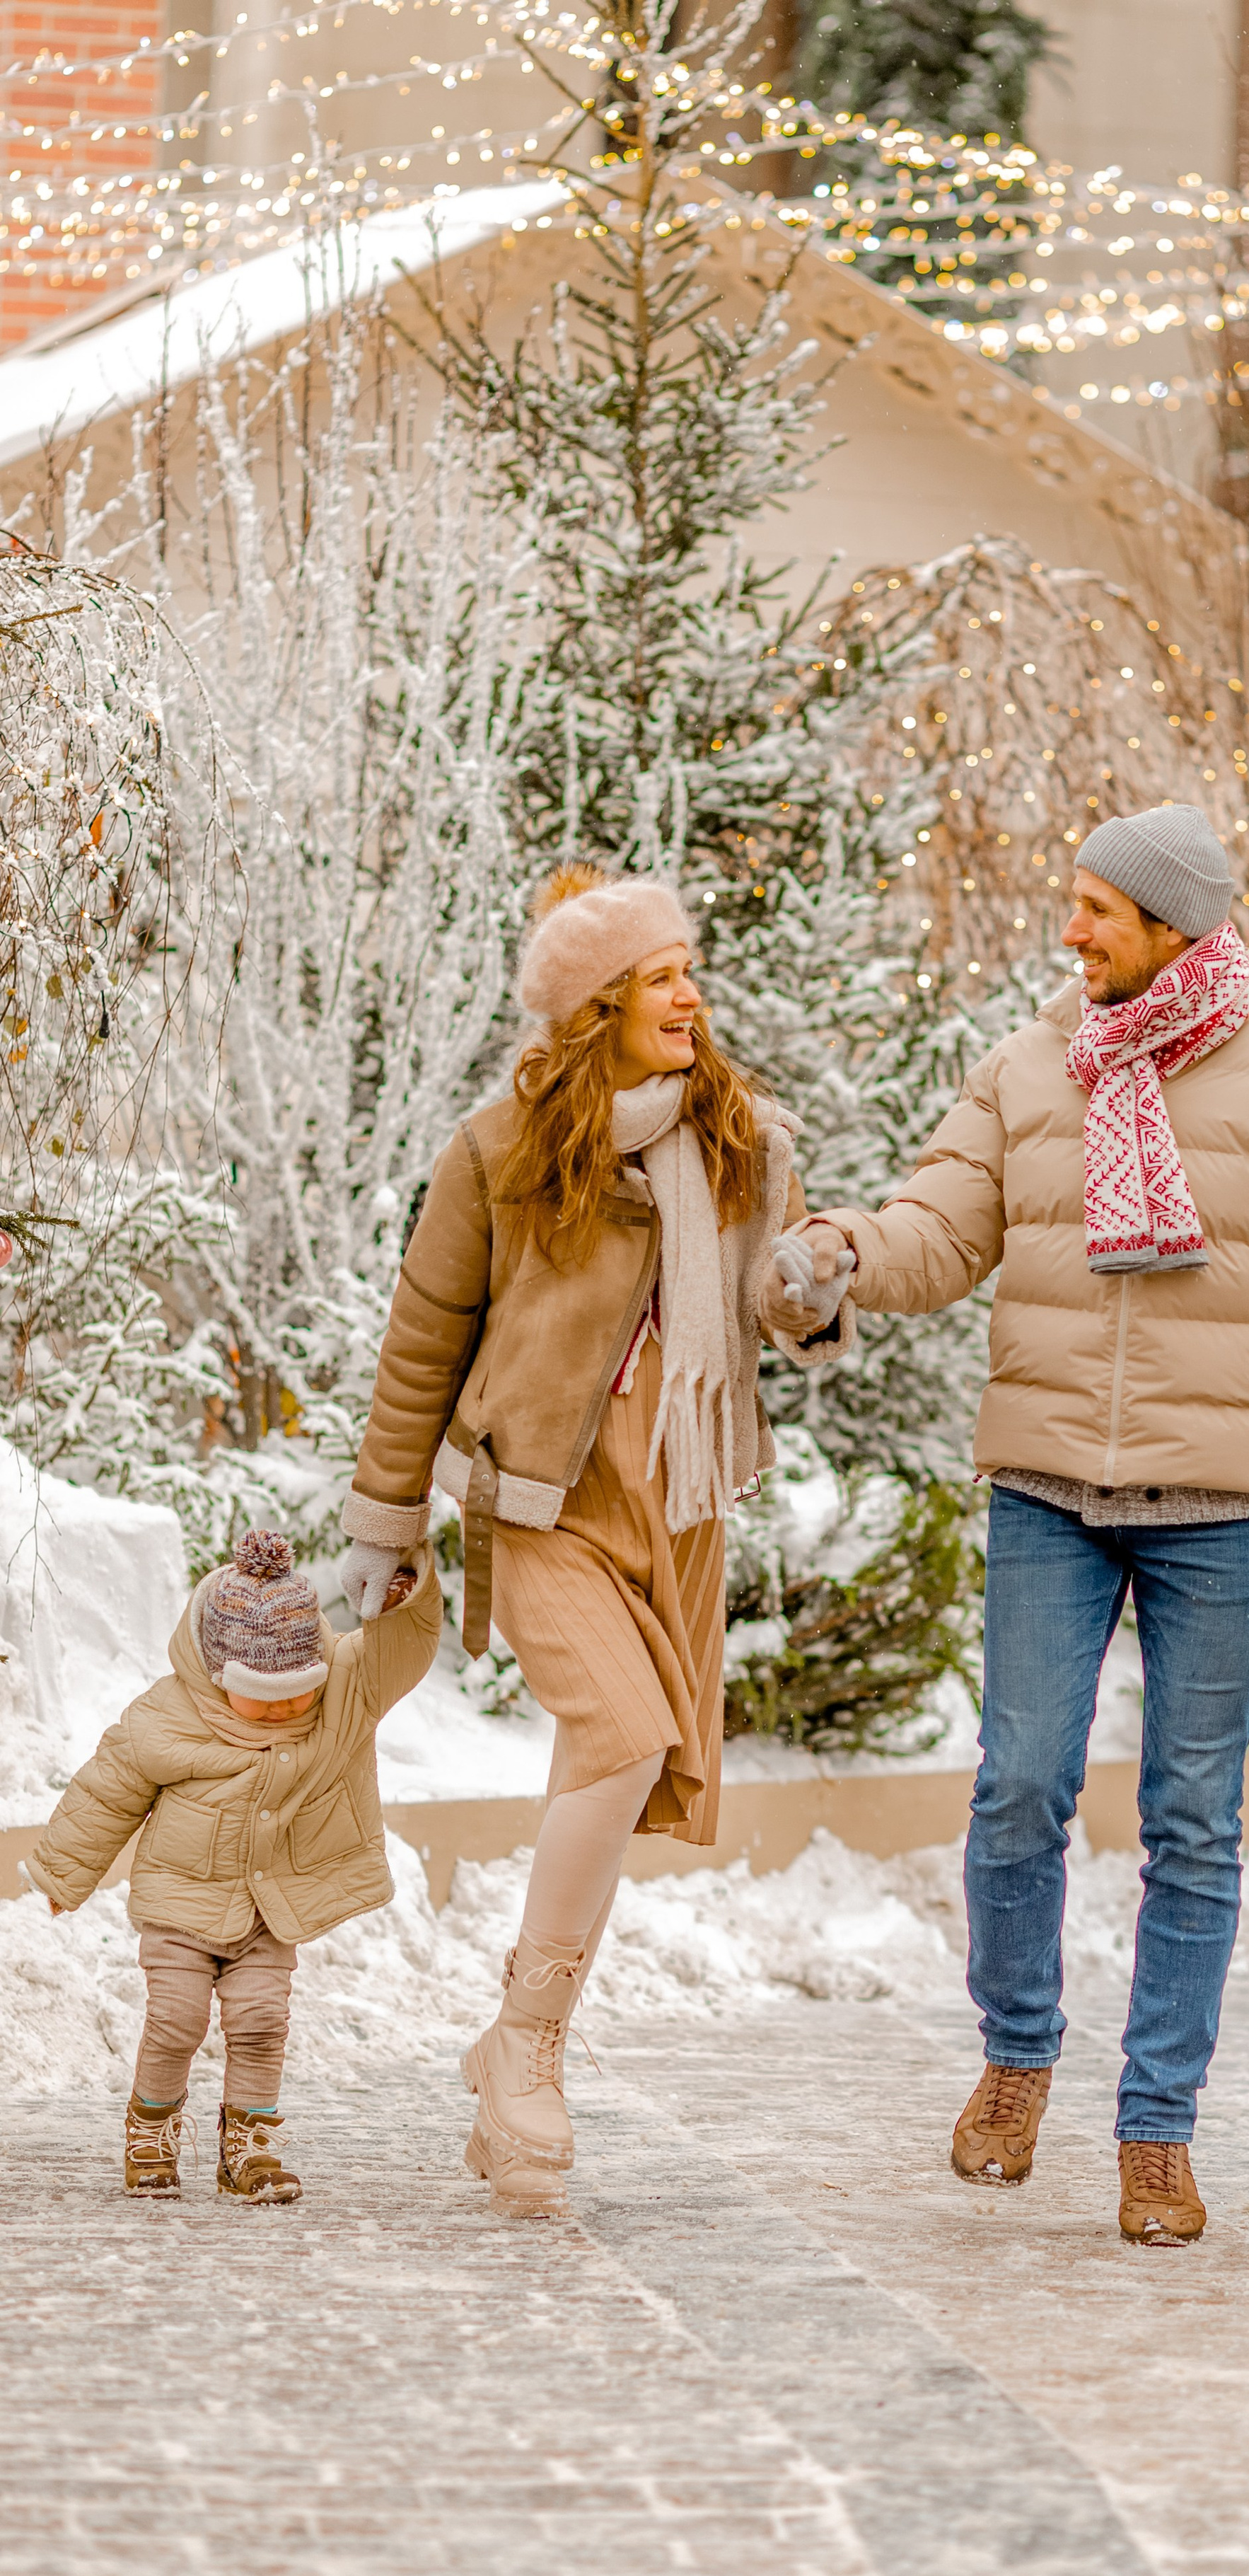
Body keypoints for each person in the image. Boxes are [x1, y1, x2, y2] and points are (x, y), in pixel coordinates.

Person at [785, 803, 1249, 2243]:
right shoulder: (1031, 1070)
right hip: (1045, 1490)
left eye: (1097, 906)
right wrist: (840, 1254)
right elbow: (938, 1230)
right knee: (1016, 1786)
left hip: (1222, 1507)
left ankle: (1155, 2130)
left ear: (1174, 926)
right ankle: (1017, 2057)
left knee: (1191, 1821)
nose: (1070, 929)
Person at [337, 865, 854, 2216]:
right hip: (543, 1504)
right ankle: (526, 2054)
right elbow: (423, 1342)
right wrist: (388, 1523)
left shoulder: (745, 1140)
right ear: (596, 1005)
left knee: (619, 1775)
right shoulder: (499, 1150)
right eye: (661, 974)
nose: (690, 993)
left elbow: (775, 1298)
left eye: (691, 968)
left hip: (679, 1508)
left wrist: (807, 1293)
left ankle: (517, 2062)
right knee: (625, 1739)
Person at [27, 1527, 439, 2202]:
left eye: (297, 1689)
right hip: (180, 1905)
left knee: (261, 2024)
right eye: (260, 1691)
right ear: (217, 1674)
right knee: (176, 2021)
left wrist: (405, 1589)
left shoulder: (346, 1694)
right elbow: (106, 1791)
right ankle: (151, 2131)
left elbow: (407, 1645)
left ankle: (248, 2150)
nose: (283, 1707)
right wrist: (62, 1875)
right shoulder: (166, 1715)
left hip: (266, 1914)